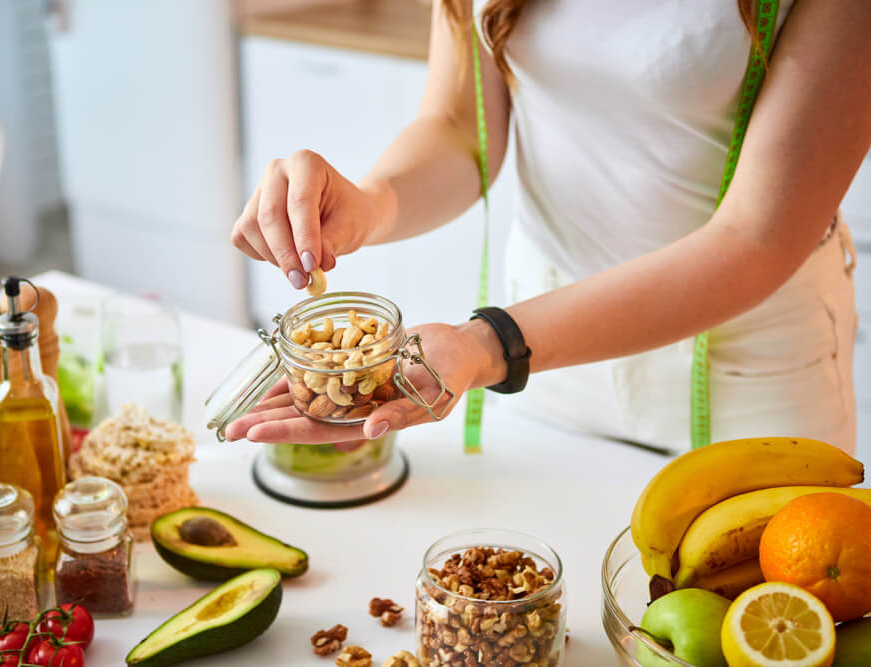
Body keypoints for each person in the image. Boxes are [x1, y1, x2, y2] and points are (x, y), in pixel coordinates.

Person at [226, 0, 870, 454]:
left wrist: (490, 343)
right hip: (543, 361)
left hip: (748, 371)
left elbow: (756, 235)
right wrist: (369, 202)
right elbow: (458, 126)